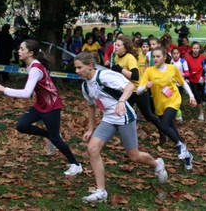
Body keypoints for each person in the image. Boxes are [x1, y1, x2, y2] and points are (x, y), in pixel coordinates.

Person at [75, 52, 168, 203]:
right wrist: (91, 128)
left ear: (90, 66)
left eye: (80, 68)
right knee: (92, 149)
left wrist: (122, 101)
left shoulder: (104, 76)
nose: (77, 71)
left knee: (134, 156)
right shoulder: (85, 85)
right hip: (108, 119)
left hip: (124, 116)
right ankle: (101, 192)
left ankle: (157, 164)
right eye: (76, 68)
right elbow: (91, 106)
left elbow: (130, 85)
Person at [0, 39, 83, 176]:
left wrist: (4, 89)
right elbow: (44, 82)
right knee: (22, 125)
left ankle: (75, 164)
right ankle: (50, 136)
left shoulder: (35, 68)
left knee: (56, 140)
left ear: (30, 53)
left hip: (51, 106)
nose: (19, 51)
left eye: (22, 49)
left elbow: (25, 93)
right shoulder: (32, 65)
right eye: (19, 48)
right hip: (40, 104)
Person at [137, 47, 197, 170]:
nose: (155, 59)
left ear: (165, 57)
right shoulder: (149, 71)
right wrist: (145, 87)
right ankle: (187, 156)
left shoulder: (172, 68)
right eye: (154, 57)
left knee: (163, 126)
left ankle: (179, 145)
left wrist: (191, 96)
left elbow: (183, 82)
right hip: (160, 105)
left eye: (158, 56)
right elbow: (138, 91)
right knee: (173, 131)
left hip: (173, 100)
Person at [185, 41, 205, 120]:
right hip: (193, 80)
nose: (196, 50)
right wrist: (187, 77)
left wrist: (205, 77)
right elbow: (186, 70)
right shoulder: (188, 59)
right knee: (197, 97)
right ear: (191, 49)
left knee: (204, 96)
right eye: (194, 48)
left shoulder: (203, 57)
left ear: (199, 49)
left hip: (202, 80)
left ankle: (204, 100)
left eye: (197, 48)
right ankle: (201, 113)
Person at [170, 47, 190, 122]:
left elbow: (187, 73)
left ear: (179, 54)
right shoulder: (170, 61)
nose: (175, 55)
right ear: (171, 54)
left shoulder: (182, 61)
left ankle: (179, 112)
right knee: (172, 97)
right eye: (174, 54)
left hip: (180, 83)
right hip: (172, 83)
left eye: (177, 53)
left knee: (179, 98)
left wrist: (181, 74)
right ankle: (175, 112)